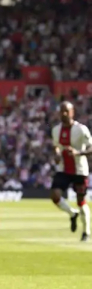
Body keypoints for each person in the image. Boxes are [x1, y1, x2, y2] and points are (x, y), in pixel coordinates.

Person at [50, 101, 92, 242]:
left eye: (67, 111)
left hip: (80, 170)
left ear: (72, 112)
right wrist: (56, 154)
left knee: (81, 200)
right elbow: (57, 146)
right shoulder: (56, 130)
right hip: (63, 169)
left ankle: (86, 231)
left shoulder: (81, 130)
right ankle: (72, 213)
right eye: (62, 111)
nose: (64, 114)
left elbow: (91, 148)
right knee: (55, 195)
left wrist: (78, 153)